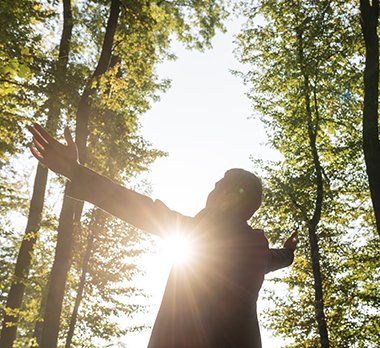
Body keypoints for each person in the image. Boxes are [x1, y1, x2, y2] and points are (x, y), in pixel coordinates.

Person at [28, 123, 298, 348]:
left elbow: (139, 208)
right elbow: (276, 259)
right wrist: (289, 252)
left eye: (219, 186)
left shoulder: (202, 234)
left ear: (230, 199)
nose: (212, 189)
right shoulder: (256, 248)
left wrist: (75, 171)